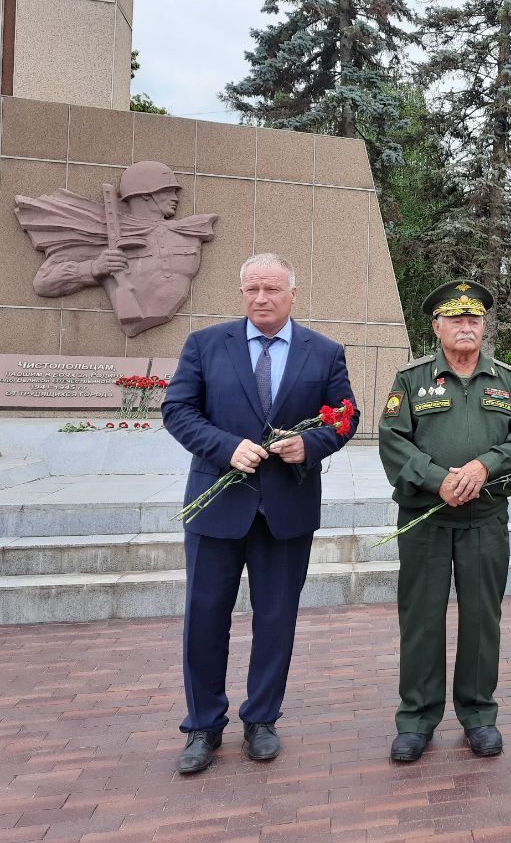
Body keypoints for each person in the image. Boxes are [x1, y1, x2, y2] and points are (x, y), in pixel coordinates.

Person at [161, 253, 358, 775]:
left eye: (271, 289)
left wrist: (309, 444)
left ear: (293, 292)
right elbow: (178, 410)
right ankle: (203, 725)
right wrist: (225, 448)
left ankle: (262, 719)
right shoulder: (206, 345)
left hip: (285, 510)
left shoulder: (325, 352)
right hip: (217, 507)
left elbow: (345, 418)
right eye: (251, 289)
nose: (260, 298)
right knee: (204, 617)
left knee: (276, 619)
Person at [378, 280, 511, 762]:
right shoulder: (411, 380)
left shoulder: (508, 381)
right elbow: (392, 438)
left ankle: (478, 715)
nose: (466, 326)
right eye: (455, 318)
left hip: (485, 519)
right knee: (423, 618)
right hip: (426, 519)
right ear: (437, 327)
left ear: (483, 326)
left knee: (481, 620)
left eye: (473, 319)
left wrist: (483, 466)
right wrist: (435, 478)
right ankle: (416, 719)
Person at [17, 160, 218, 336]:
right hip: (132, 311)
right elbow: (43, 283)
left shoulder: (190, 232)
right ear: (146, 195)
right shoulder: (100, 234)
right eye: (167, 191)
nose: (176, 198)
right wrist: (94, 268)